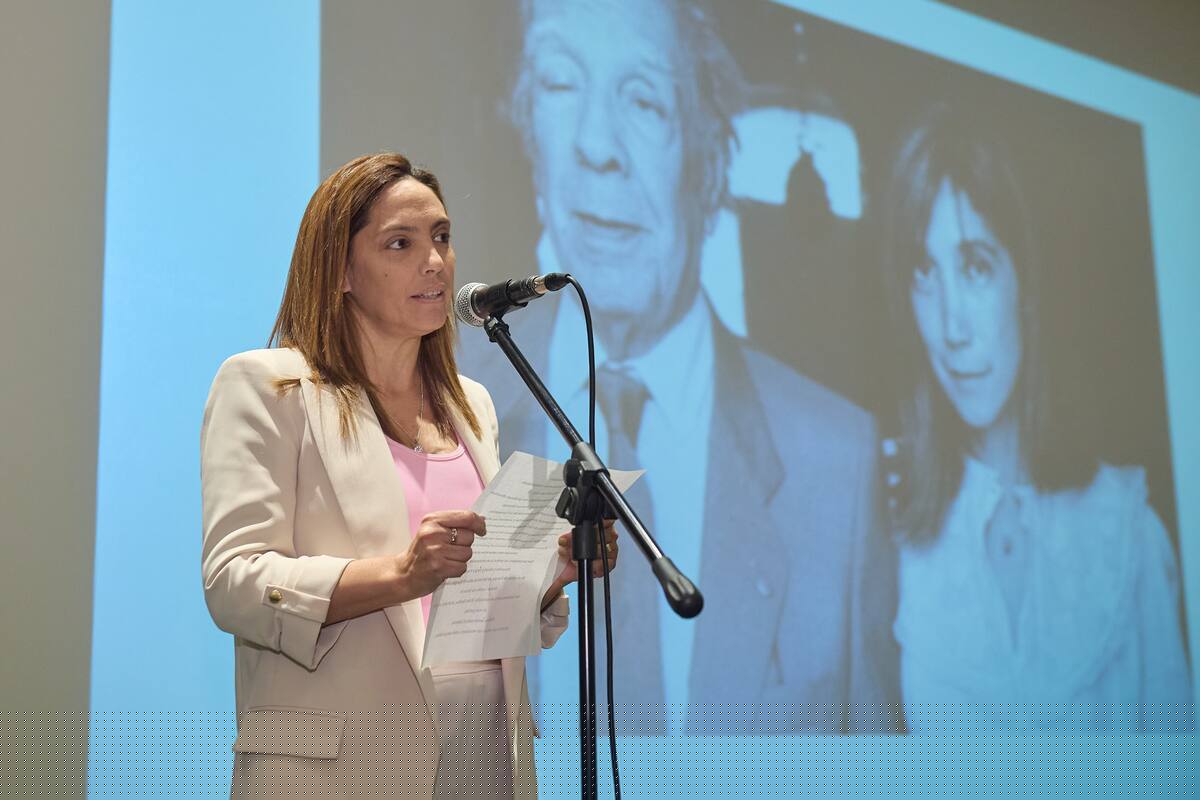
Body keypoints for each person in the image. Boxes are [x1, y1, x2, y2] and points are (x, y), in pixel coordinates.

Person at [459, 0, 901, 734]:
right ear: (529, 132)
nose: (597, 145)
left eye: (644, 99)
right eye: (562, 86)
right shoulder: (451, 415)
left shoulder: (836, 461)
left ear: (708, 159)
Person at [200, 153, 618, 798]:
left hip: (482, 755)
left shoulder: (471, 405)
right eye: (401, 242)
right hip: (339, 769)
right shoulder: (269, 387)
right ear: (339, 268)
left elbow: (465, 607)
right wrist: (402, 573)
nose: (435, 261)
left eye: (442, 238)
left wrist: (546, 575)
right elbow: (234, 583)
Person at [880, 105, 1193, 732]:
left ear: (1026, 284)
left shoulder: (1130, 534)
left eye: (975, 267)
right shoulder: (890, 545)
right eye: (924, 272)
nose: (951, 328)